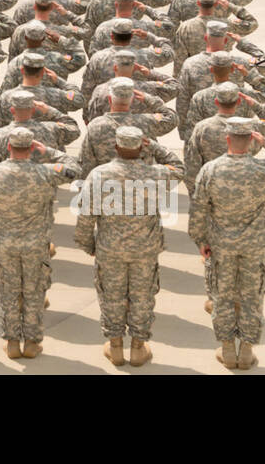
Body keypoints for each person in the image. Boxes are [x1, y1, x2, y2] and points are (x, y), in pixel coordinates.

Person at [189, 117, 265, 370]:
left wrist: (201, 240)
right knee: (252, 296)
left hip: (221, 244)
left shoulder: (210, 169)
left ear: (227, 138)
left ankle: (227, 349)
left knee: (222, 296)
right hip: (254, 244)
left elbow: (198, 209)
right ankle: (247, 352)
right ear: (251, 141)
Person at [74, 125, 182, 367]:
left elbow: (85, 215)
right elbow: (180, 168)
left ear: (116, 147)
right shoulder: (155, 173)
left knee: (111, 295)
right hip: (145, 246)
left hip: (110, 246)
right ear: (141, 148)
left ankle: (115, 346)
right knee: (142, 296)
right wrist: (154, 146)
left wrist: (88, 243)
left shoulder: (100, 174)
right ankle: (137, 347)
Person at [0, 127, 79, 358]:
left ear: (9, 147)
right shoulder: (45, 172)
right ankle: (31, 342)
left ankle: (12, 342)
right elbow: (75, 168)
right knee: (34, 291)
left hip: (5, 243)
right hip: (36, 243)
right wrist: (49, 151)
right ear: (32, 148)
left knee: (8, 292)